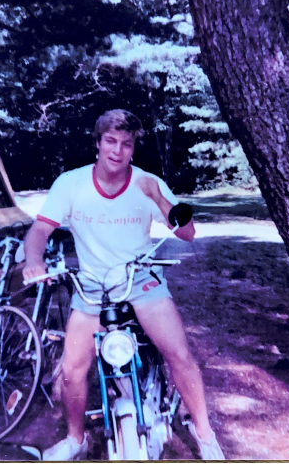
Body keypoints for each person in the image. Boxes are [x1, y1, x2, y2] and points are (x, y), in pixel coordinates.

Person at [22, 109, 224, 461]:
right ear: (97, 143)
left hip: (140, 278)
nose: (117, 150)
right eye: (111, 142)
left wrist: (159, 198)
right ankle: (75, 439)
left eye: (126, 144)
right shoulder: (70, 184)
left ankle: (204, 433)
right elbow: (39, 231)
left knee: (179, 354)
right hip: (91, 287)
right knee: (71, 370)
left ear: (133, 148)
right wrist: (34, 261)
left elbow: (188, 234)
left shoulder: (147, 183)